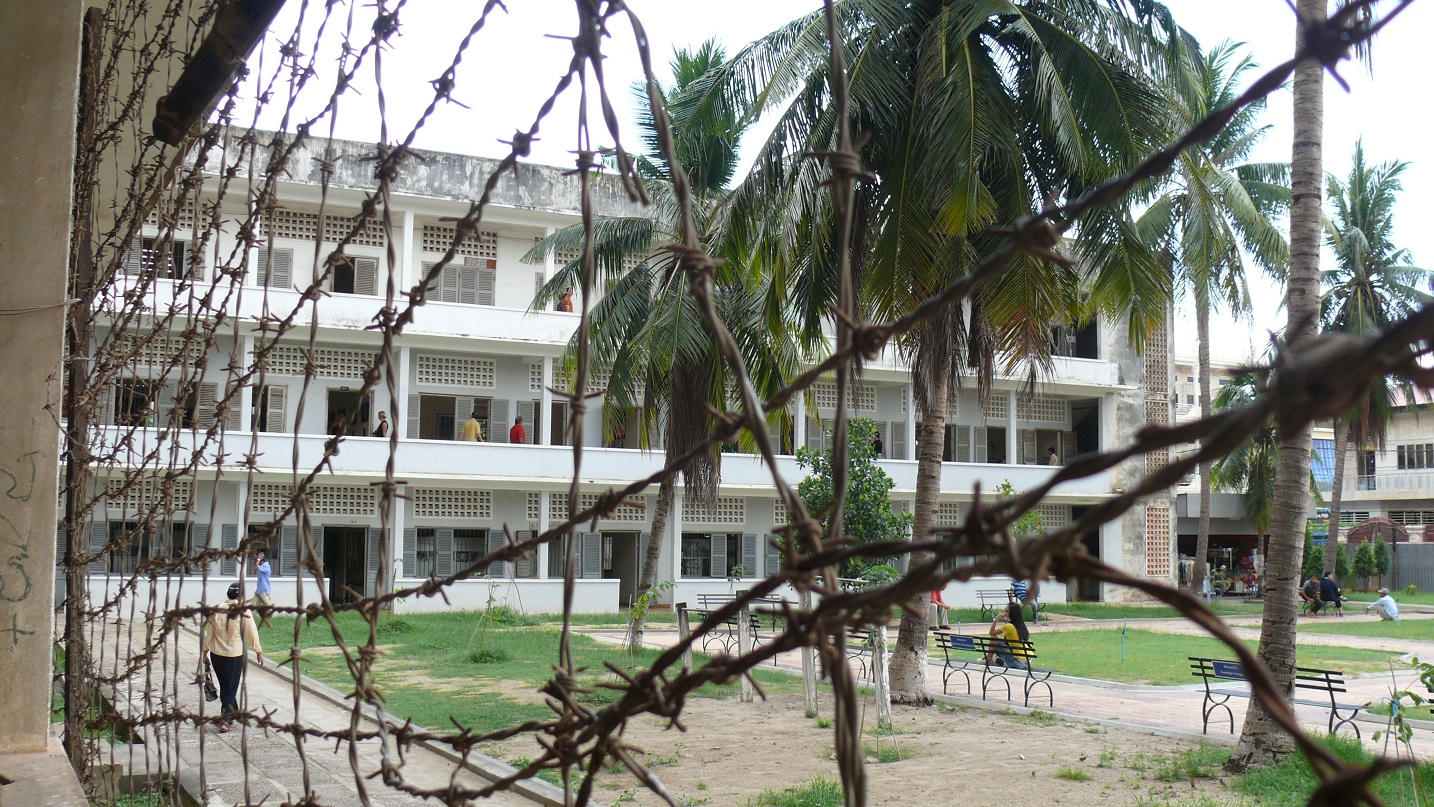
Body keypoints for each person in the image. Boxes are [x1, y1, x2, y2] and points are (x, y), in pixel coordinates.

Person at [202, 583, 264, 733]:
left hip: (217, 655)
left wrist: (205, 650)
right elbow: (252, 632)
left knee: (226, 686)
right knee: (230, 688)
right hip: (234, 655)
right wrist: (258, 651)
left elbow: (210, 632)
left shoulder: (217, 610)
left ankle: (234, 713)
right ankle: (226, 719)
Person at [988, 603, 1031, 670]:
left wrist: (996, 619)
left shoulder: (1008, 626)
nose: (1004, 613)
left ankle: (988, 660)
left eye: (1006, 611)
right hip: (1028, 660)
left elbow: (991, 633)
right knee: (1002, 643)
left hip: (1017, 662)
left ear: (1012, 614)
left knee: (994, 639)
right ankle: (997, 660)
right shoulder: (1021, 626)